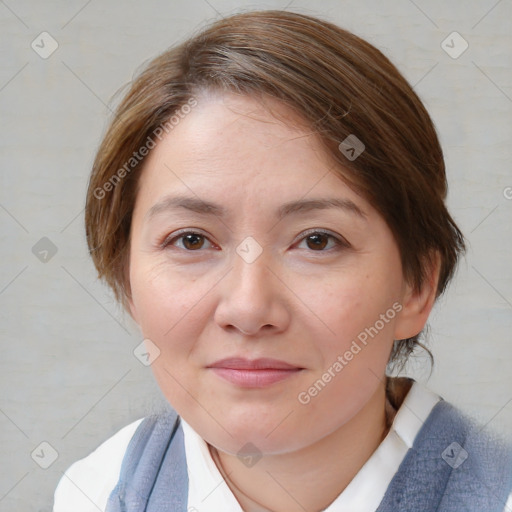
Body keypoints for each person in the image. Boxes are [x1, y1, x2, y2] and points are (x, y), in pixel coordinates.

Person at [53, 9, 512, 512]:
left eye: (317, 241)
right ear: (126, 279)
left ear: (417, 286)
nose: (249, 309)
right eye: (190, 240)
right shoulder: (97, 492)